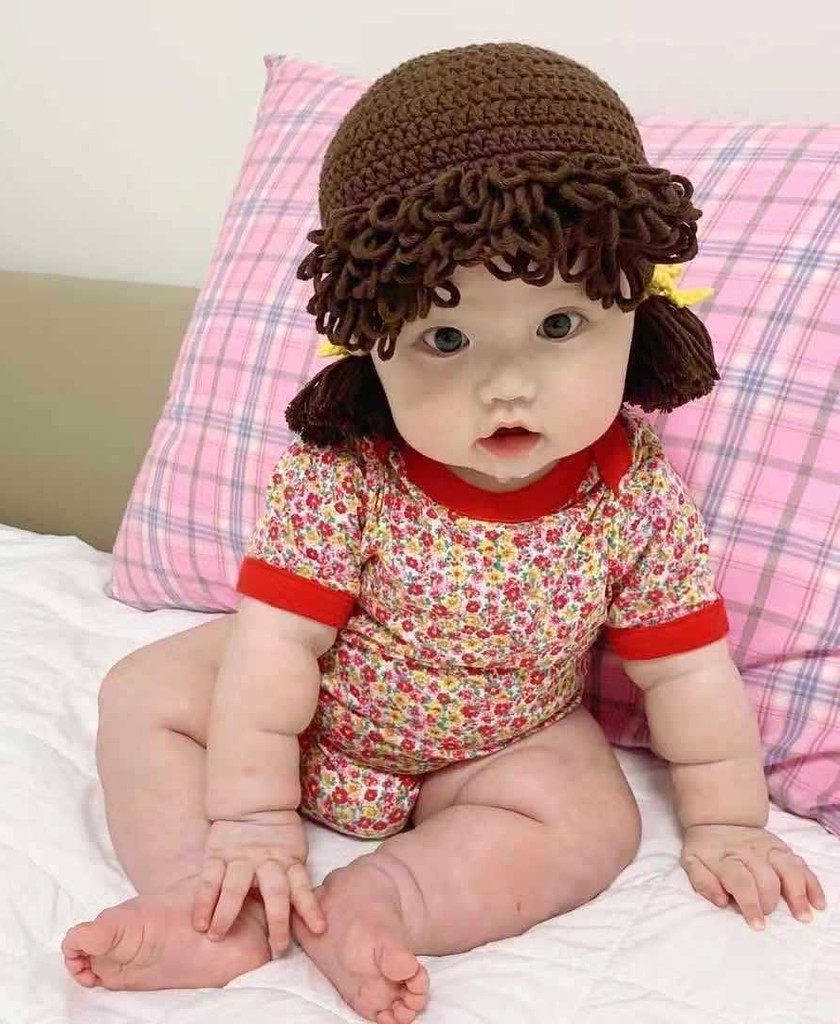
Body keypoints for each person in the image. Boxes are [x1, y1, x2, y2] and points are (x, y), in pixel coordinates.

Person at [62, 42, 827, 1024]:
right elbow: (275, 645)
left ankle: (386, 898)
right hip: (321, 704)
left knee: (593, 819)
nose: (507, 385)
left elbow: (686, 672)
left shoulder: (632, 495)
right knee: (146, 693)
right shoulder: (345, 472)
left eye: (559, 327)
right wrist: (251, 816)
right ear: (369, 340)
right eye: (446, 338)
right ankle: (206, 897)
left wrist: (727, 822)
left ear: (636, 311)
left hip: (501, 737)